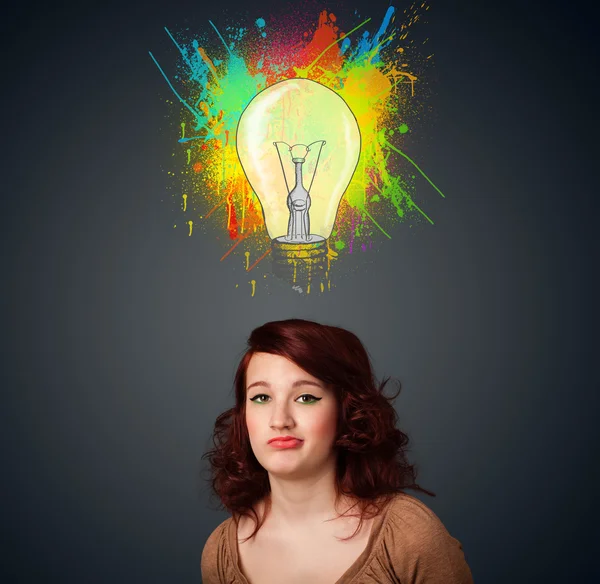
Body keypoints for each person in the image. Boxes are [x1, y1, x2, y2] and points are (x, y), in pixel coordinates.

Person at [200, 319, 473, 583]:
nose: (279, 419)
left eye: (306, 397)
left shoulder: (410, 536)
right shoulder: (220, 552)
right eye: (261, 397)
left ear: (346, 412)